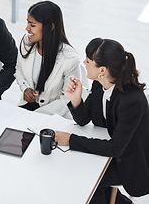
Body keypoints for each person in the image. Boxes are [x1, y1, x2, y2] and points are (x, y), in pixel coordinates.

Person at [56, 38, 149, 204]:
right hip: (111, 145)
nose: (84, 62)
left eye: (88, 60)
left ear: (103, 70)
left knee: (86, 182)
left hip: (129, 160)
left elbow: (116, 149)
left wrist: (70, 139)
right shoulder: (100, 84)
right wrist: (76, 99)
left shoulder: (132, 101)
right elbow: (84, 120)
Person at [15, 1, 80, 117]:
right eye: (27, 23)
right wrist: (25, 88)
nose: (27, 28)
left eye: (32, 25)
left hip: (54, 115)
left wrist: (36, 115)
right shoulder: (27, 42)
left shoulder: (70, 59)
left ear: (50, 27)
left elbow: (67, 99)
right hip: (27, 108)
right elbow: (18, 70)